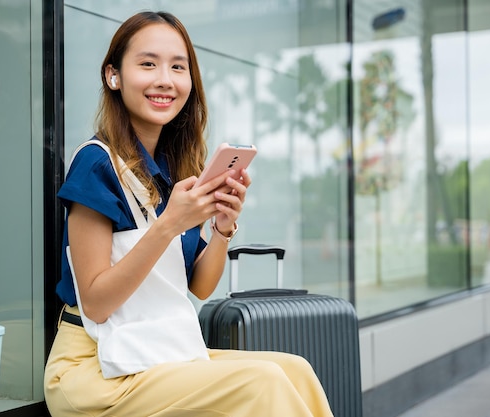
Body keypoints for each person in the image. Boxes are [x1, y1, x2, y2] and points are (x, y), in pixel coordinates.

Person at [44, 11, 334, 417]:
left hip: (155, 350)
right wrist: (169, 225)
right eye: (148, 64)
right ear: (113, 75)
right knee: (263, 383)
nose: (165, 79)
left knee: (296, 370)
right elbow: (95, 302)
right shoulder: (96, 164)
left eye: (178, 67)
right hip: (94, 367)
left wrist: (222, 227)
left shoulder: (174, 167)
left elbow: (199, 286)